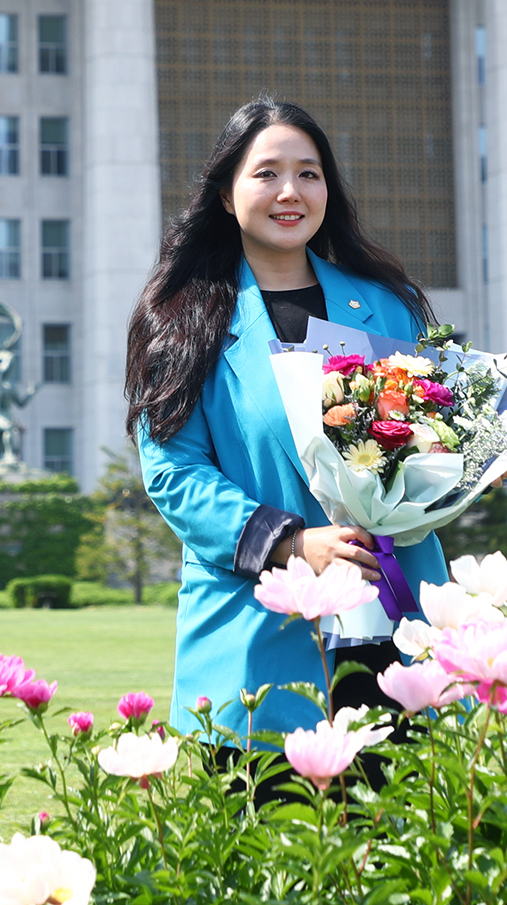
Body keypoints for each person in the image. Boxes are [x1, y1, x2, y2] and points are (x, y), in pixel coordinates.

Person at [129, 95, 445, 745]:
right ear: (225, 194)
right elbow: (175, 473)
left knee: (413, 835)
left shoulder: (387, 306)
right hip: (262, 631)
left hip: (395, 625)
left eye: (309, 172)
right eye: (266, 172)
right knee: (275, 831)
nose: (289, 191)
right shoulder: (183, 321)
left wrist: (467, 464)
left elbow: (429, 432)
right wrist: (293, 544)